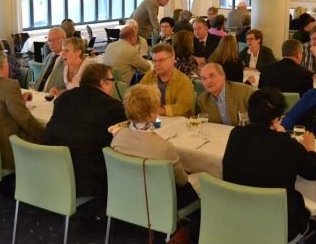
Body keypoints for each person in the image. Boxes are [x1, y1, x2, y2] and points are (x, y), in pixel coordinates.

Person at [222, 88, 316, 241]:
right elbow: (315, 173)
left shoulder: (236, 134)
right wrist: (310, 149)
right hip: (277, 224)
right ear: (276, 120)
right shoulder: (287, 144)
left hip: (236, 214)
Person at [111, 84, 198, 209]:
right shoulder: (164, 148)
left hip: (127, 197)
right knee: (202, 179)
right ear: (152, 114)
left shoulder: (117, 139)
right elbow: (182, 181)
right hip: (159, 203)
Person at [43, 64, 125, 197]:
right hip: (85, 180)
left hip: (51, 171)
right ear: (102, 82)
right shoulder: (113, 107)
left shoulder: (63, 98)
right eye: (111, 80)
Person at [140, 43, 194, 117]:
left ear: (172, 59)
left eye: (161, 60)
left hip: (177, 121)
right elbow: (139, 97)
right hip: (153, 119)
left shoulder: (184, 81)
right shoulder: (149, 76)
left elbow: (182, 107)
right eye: (154, 61)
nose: (156, 64)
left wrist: (156, 111)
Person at [34, 27, 67, 92]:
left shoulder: (68, 58)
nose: (52, 43)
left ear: (64, 39)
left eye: (55, 39)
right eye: (49, 40)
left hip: (56, 96)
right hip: (40, 94)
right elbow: (40, 79)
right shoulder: (49, 57)